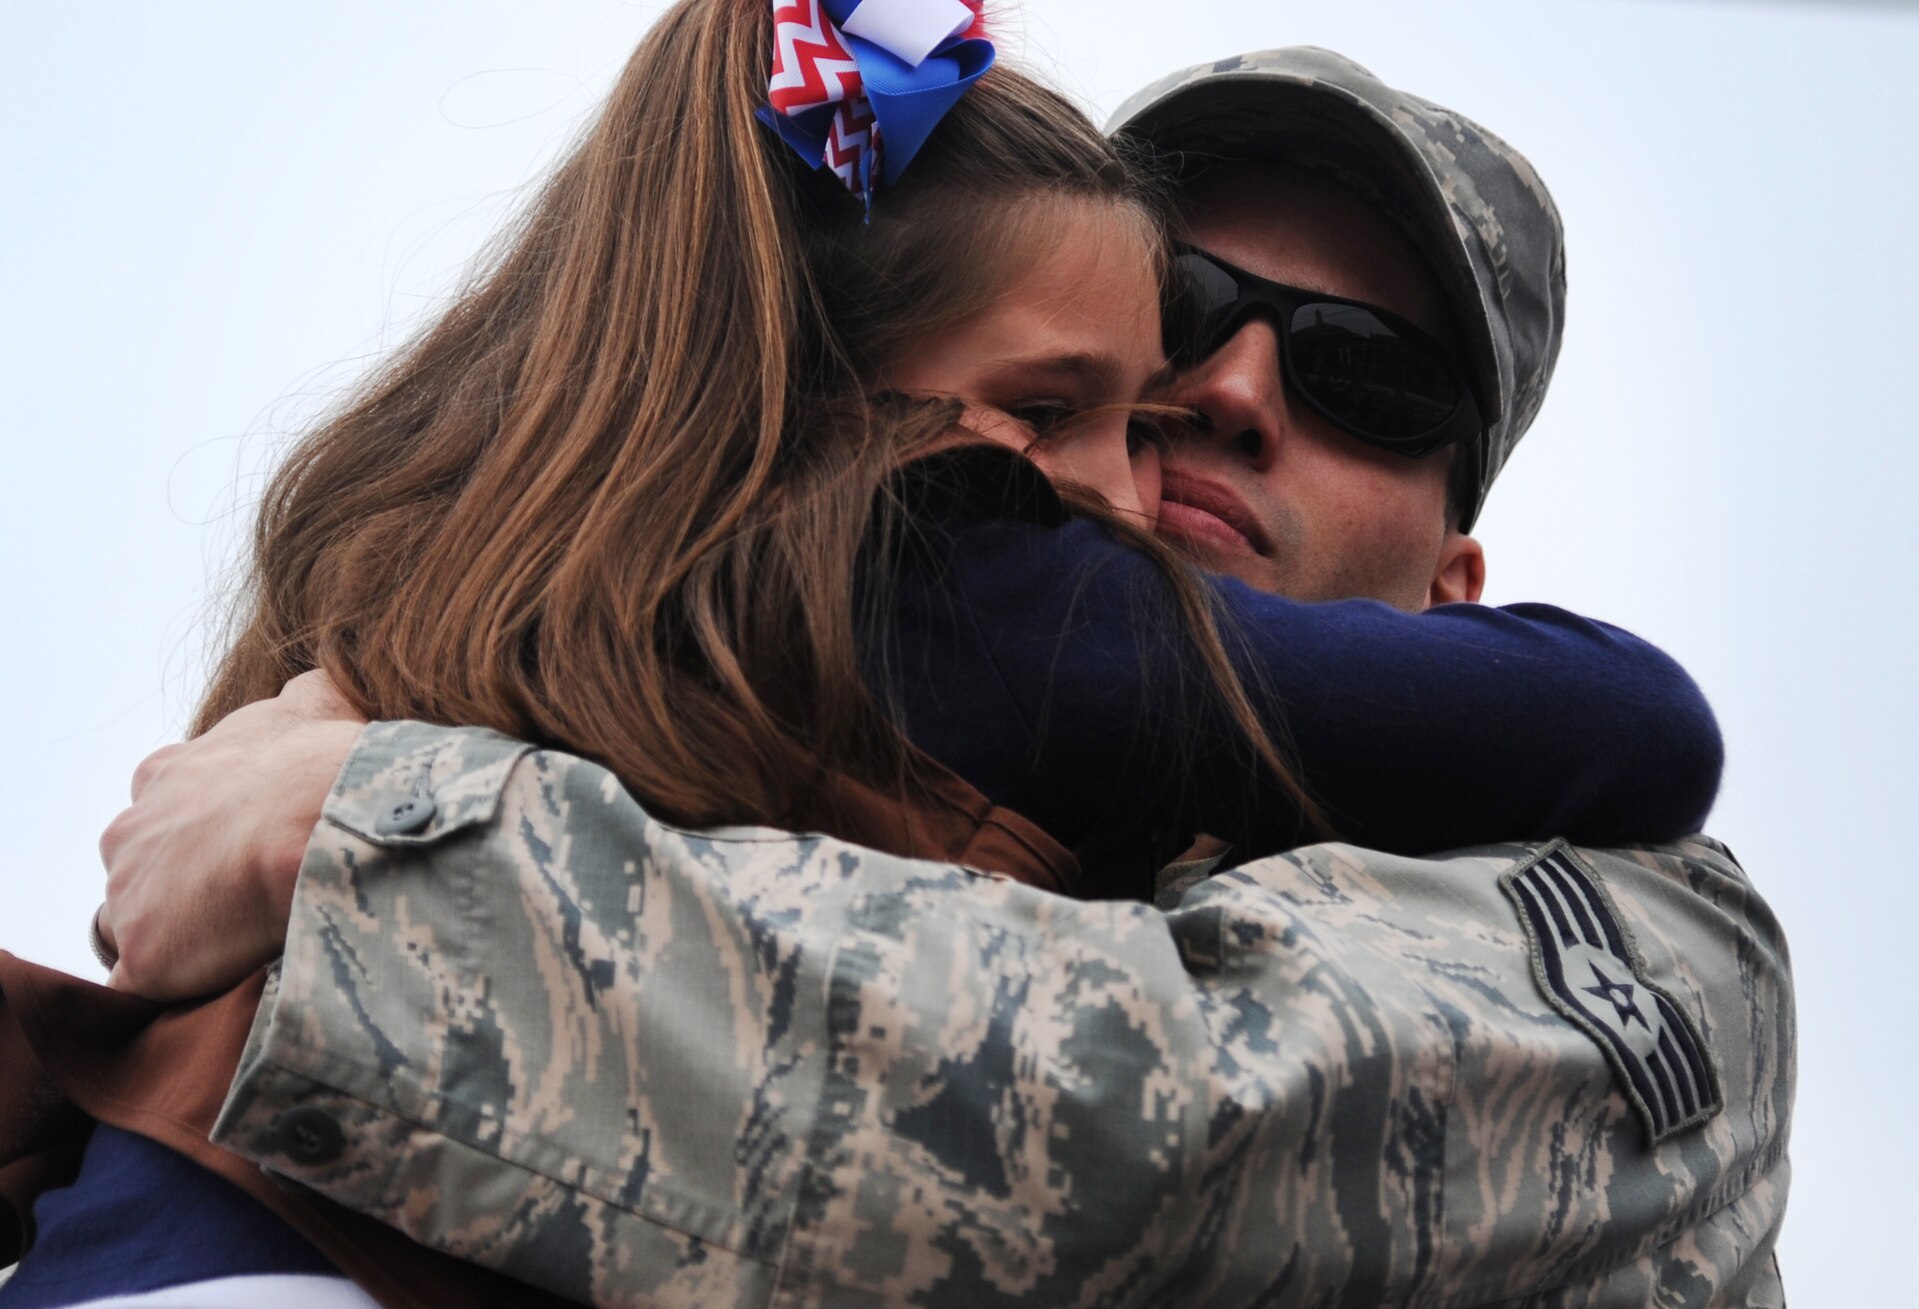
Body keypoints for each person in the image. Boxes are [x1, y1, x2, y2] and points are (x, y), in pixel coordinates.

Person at [1, 21, 1789, 1309]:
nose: (1226, 391)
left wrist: (364, 833)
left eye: (1366, 377)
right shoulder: (854, 632)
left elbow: (1135, 1136)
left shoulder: (1632, 931)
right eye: (1179, 310)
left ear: (1465, 587)